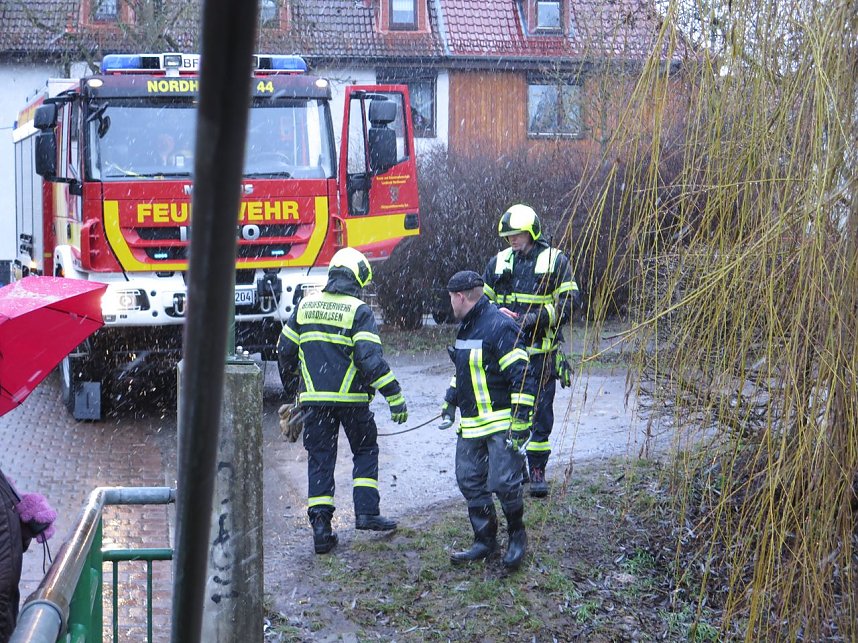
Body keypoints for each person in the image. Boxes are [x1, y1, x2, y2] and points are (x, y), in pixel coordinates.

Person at [277, 247, 407, 554]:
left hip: (315, 404)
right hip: (352, 401)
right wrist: (394, 395)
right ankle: (366, 513)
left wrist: (297, 388)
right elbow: (370, 360)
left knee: (321, 459)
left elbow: (284, 351)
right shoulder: (358, 310)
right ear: (359, 278)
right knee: (365, 450)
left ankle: (321, 530)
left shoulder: (306, 306)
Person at [439, 270, 537, 570]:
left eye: (450, 299)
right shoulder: (468, 327)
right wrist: (450, 402)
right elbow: (463, 371)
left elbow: (522, 376)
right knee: (469, 481)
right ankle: (485, 539)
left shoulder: (499, 326)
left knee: (505, 484)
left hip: (500, 424)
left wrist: (521, 423)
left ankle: (517, 538)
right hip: (471, 425)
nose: (449, 305)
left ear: (460, 296)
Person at [483, 204, 579, 498]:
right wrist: (495, 316)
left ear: (532, 232)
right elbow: (482, 302)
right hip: (507, 353)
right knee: (507, 412)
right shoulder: (498, 263)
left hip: (541, 352)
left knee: (540, 414)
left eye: (518, 234)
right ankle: (516, 467)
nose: (513, 240)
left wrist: (534, 320)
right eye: (509, 235)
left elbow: (571, 301)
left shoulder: (555, 261)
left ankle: (537, 469)